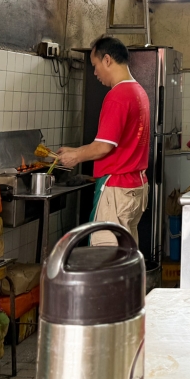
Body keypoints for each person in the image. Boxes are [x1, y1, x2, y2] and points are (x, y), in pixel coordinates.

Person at [58, 36, 150, 247]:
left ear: (107, 60)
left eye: (95, 65)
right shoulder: (139, 92)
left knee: (106, 256)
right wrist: (77, 149)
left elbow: (104, 146)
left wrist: (75, 156)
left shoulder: (117, 95)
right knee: (125, 255)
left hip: (117, 189)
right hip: (136, 187)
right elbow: (118, 141)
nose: (95, 72)